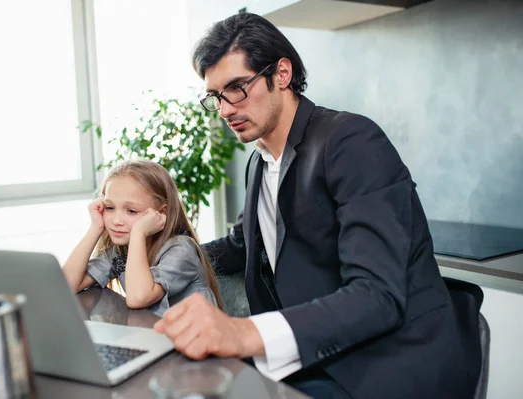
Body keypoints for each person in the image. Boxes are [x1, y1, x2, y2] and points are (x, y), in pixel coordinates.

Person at [154, 12, 482, 399]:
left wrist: (244, 332)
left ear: (281, 74)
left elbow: (377, 295)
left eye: (237, 87)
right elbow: (239, 247)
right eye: (215, 96)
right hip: (319, 355)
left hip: (387, 362)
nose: (225, 110)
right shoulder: (259, 162)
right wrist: (153, 259)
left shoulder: (350, 141)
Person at [62, 159, 225, 317]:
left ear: (161, 213)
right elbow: (66, 286)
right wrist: (95, 227)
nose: (117, 221)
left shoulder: (181, 249)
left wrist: (138, 232)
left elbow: (138, 298)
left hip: (198, 343)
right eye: (109, 207)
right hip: (157, 339)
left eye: (131, 211)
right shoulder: (119, 251)